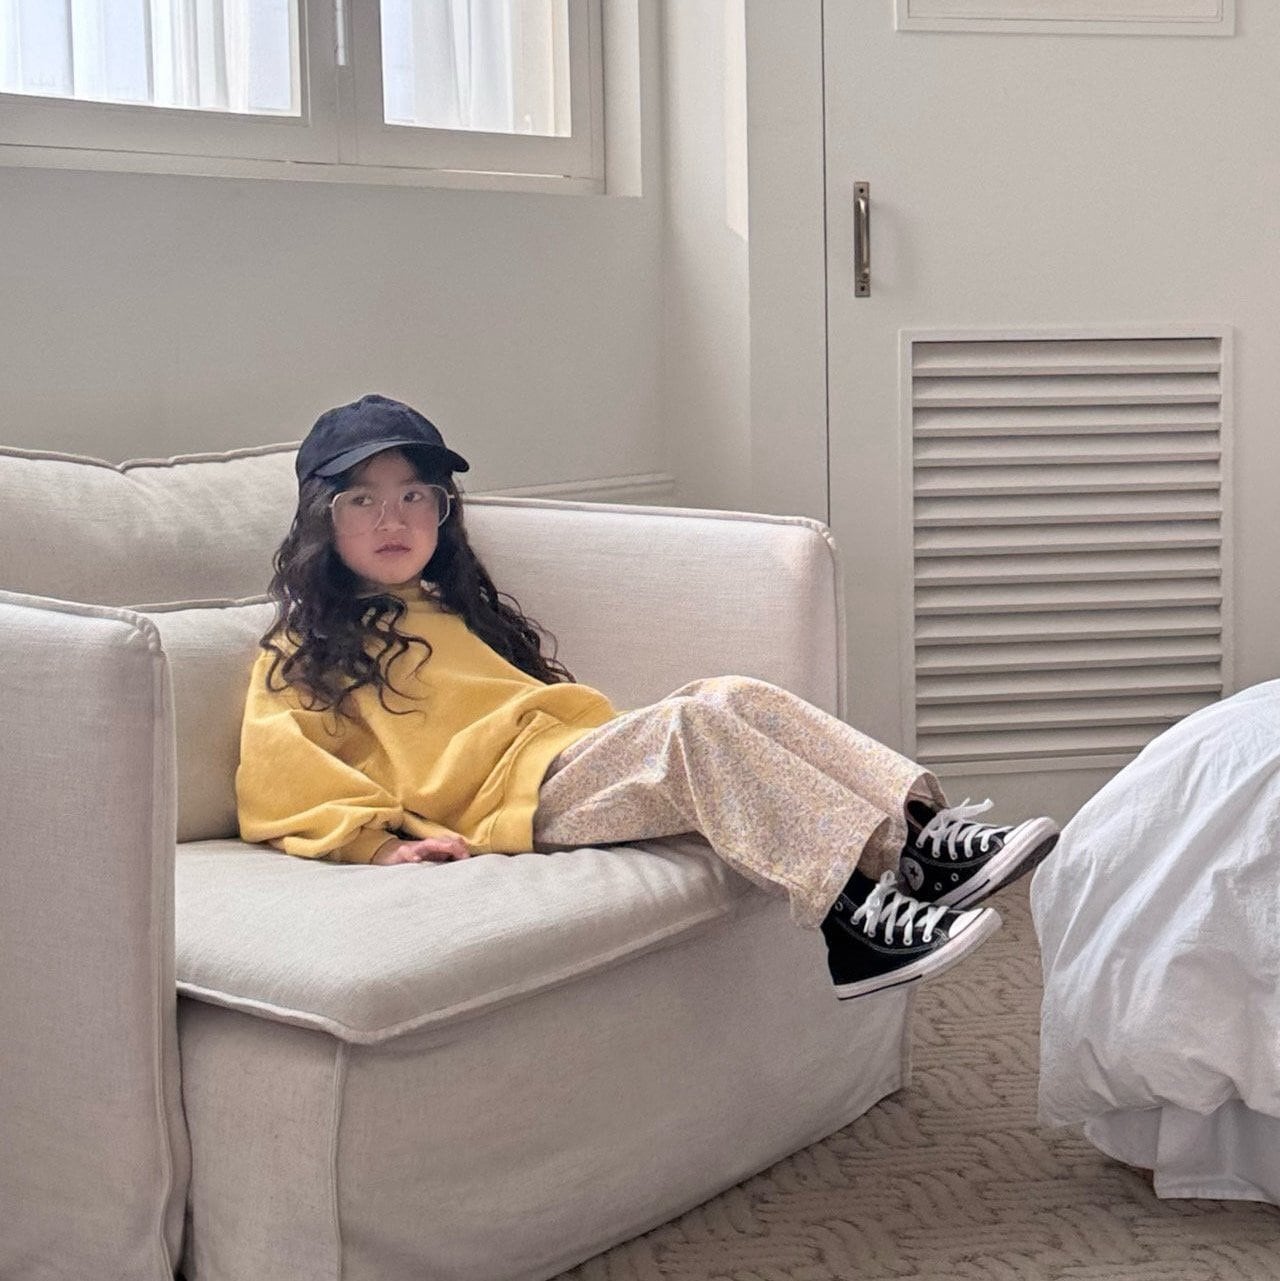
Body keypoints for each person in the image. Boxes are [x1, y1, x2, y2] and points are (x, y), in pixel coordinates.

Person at [236, 393, 1060, 1001]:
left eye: (416, 495)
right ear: (321, 518)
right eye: (363, 498)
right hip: (513, 800)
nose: (394, 517)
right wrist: (377, 845)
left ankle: (919, 836)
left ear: (443, 512)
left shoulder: (453, 609)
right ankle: (852, 924)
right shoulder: (305, 646)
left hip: (569, 759)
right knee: (691, 725)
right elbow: (280, 777)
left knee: (731, 693)